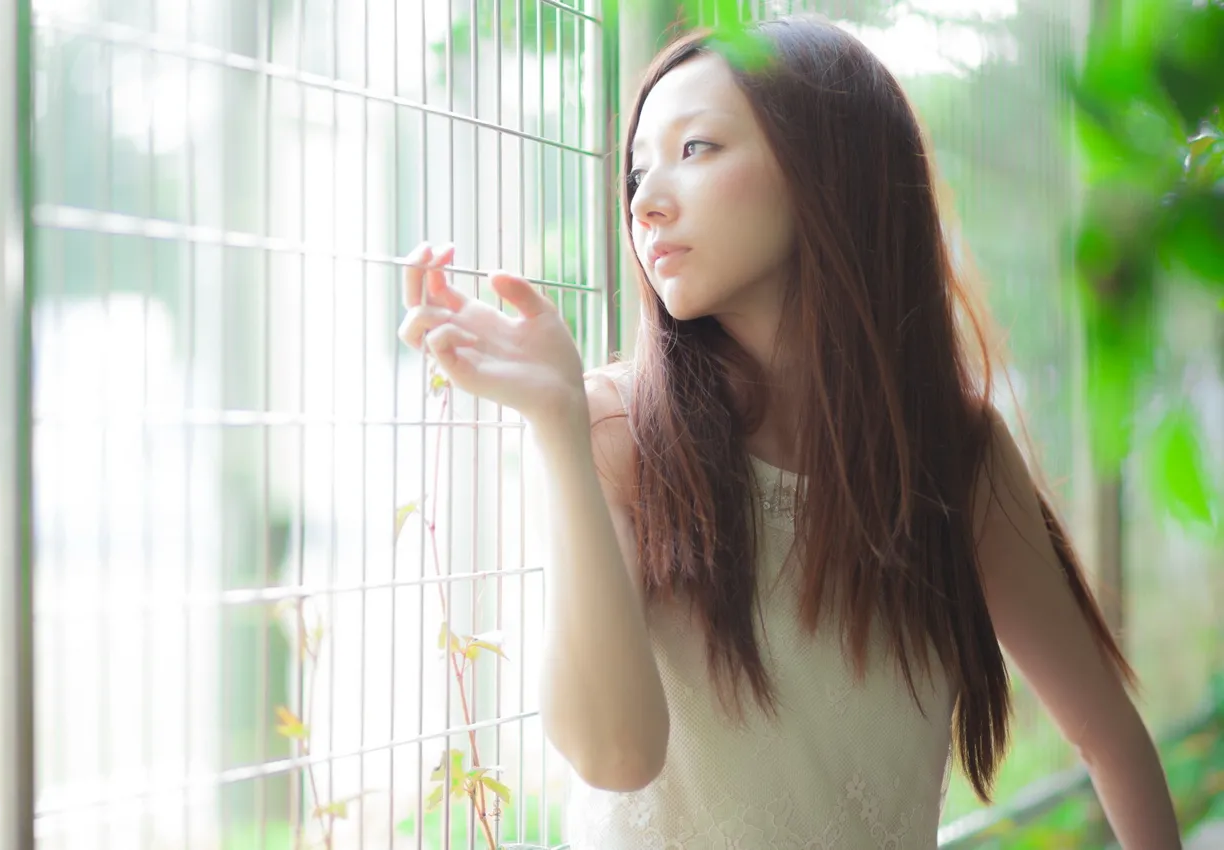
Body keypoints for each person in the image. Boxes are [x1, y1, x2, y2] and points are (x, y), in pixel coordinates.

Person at [397, 15, 1180, 850]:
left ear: (831, 165)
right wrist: (556, 423)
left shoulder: (955, 458)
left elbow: (1109, 738)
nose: (647, 202)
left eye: (696, 148)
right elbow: (614, 755)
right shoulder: (613, 428)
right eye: (636, 173)